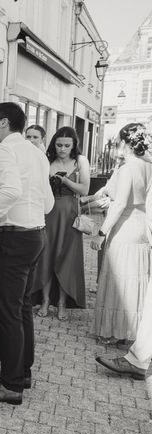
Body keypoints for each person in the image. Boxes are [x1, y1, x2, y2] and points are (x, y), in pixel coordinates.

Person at [0, 102, 54, 405]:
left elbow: (11, 191)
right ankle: (22, 371)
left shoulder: (5, 150)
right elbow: (48, 204)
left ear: (4, 123)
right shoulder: (35, 152)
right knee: (21, 308)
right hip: (36, 235)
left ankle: (11, 385)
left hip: (15, 239)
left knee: (8, 311)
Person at [91, 123, 152, 345]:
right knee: (135, 281)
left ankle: (114, 331)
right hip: (142, 227)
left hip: (125, 228)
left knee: (118, 280)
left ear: (125, 143)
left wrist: (101, 232)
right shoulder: (149, 166)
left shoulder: (129, 168)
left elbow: (119, 206)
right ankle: (132, 332)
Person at [32, 127, 90, 320]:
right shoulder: (47, 160)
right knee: (46, 257)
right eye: (59, 145)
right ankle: (46, 300)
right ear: (53, 144)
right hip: (47, 214)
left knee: (66, 259)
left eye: (66, 145)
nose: (62, 149)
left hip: (69, 216)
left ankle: (63, 303)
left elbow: (84, 189)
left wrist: (65, 181)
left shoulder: (81, 161)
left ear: (74, 145)